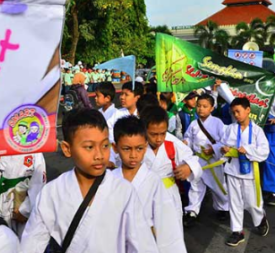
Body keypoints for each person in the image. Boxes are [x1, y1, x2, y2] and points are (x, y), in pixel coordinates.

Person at [21, 109, 158, 253]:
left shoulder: (123, 191)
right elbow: (32, 244)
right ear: (67, 149)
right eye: (89, 147)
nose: (99, 155)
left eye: (104, 146)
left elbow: (143, 245)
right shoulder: (52, 192)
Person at [112, 116, 187, 253]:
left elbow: (167, 226)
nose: (133, 155)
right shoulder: (109, 180)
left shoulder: (154, 182)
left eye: (139, 149)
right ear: (115, 148)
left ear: (145, 146)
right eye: (127, 149)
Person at [140, 106, 203, 229]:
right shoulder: (136, 144)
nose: (159, 139)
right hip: (142, 194)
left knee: (172, 232)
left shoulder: (171, 142)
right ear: (144, 130)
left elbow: (193, 159)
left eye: (162, 133)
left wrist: (188, 167)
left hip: (168, 194)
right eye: (153, 134)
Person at [221, 97, 270, 246]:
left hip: (250, 173)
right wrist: (224, 149)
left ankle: (260, 219)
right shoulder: (229, 128)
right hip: (232, 169)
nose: (236, 115)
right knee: (234, 202)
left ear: (248, 110)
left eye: (238, 111)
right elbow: (222, 143)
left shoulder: (257, 131)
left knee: (252, 203)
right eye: (233, 112)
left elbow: (264, 151)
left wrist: (247, 150)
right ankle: (237, 231)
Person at [182, 94, 229, 227]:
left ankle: (223, 207)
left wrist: (214, 148)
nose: (201, 109)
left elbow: (224, 141)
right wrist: (186, 142)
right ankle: (192, 210)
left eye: (205, 106)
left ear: (212, 108)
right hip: (198, 159)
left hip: (212, 160)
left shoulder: (218, 123)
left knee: (217, 185)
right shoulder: (193, 124)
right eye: (199, 106)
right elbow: (189, 137)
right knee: (196, 185)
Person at [0, 153, 46, 238]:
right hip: (3, 205)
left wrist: (25, 211)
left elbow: (39, 184)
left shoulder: (36, 152)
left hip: (26, 208)